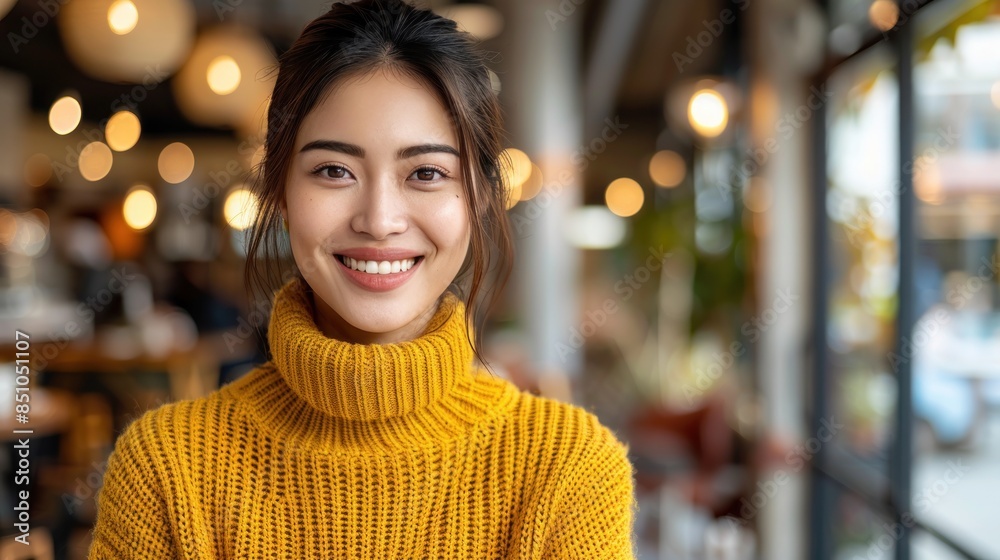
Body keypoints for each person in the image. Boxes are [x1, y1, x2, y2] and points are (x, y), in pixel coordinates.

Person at [87, 0, 637, 557]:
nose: (378, 220)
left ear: (479, 197)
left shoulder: (568, 468)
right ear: (278, 191)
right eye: (334, 171)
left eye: (426, 173)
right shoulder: (165, 467)